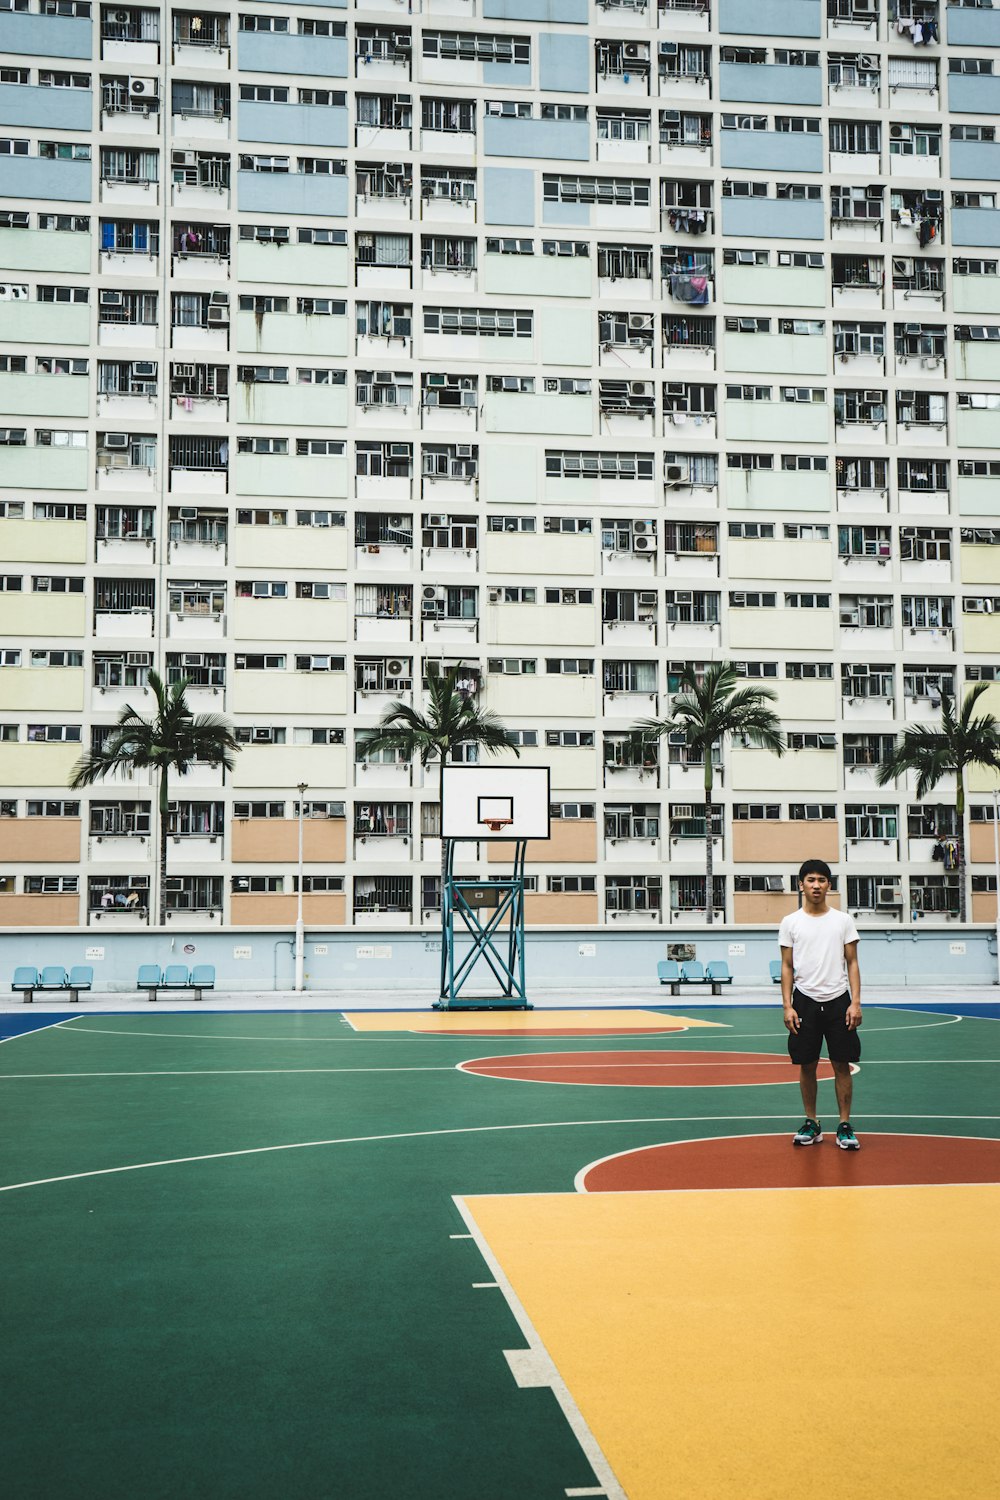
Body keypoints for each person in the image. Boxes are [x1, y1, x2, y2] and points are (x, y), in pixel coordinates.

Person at [779, 859, 862, 1150]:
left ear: (829, 885)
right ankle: (811, 1122)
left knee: (842, 1064)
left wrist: (856, 1002)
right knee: (807, 1065)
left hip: (839, 1000)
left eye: (822, 880)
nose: (816, 885)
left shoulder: (843, 921)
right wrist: (787, 1006)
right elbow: (787, 966)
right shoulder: (790, 922)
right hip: (805, 1001)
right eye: (810, 880)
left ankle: (844, 1125)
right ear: (801, 884)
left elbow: (852, 962)